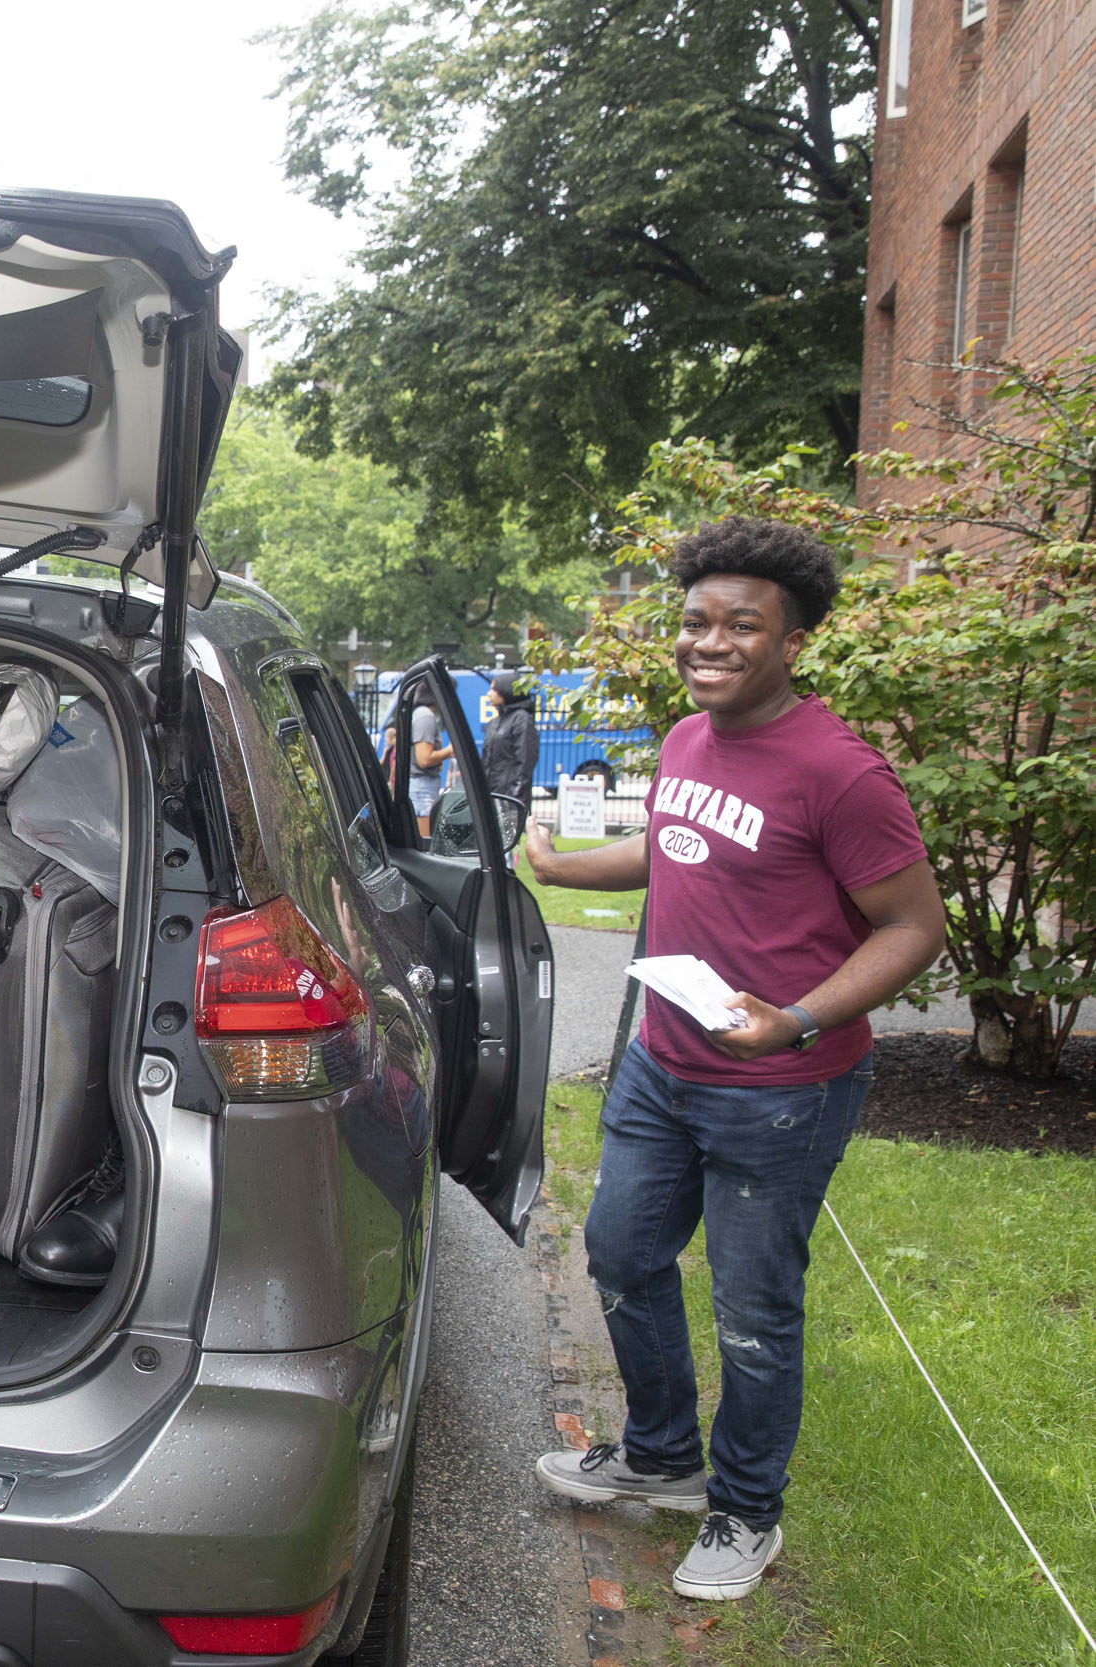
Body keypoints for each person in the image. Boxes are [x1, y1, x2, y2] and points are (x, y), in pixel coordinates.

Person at [521, 517, 945, 1603]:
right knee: (619, 1254)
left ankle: (746, 1506)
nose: (707, 641)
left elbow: (912, 927)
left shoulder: (838, 772)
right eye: (695, 620)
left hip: (781, 1088)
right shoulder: (682, 742)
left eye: (740, 624)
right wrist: (563, 861)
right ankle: (662, 1455)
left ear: (792, 638)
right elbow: (668, 846)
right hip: (662, 1063)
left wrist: (798, 1016)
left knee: (755, 1310)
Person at [482, 669, 539, 818]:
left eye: (494, 689)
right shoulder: (494, 722)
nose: (489, 693)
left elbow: (525, 761)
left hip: (510, 797)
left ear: (506, 691)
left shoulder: (522, 719)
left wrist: (516, 799)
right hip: (490, 795)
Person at [407, 690, 454, 837]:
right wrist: (450, 750)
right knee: (425, 840)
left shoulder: (420, 714)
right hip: (423, 787)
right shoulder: (425, 716)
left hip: (422, 785)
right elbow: (424, 759)